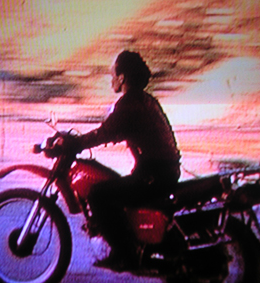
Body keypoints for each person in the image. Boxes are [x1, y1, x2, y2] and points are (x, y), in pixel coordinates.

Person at [74, 50, 181, 269]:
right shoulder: (146, 100)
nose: (112, 79)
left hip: (154, 175)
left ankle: (125, 255)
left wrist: (72, 143)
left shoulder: (129, 103)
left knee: (98, 194)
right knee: (114, 187)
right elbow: (111, 132)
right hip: (162, 171)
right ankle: (134, 243)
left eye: (113, 74)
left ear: (122, 77)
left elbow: (104, 133)